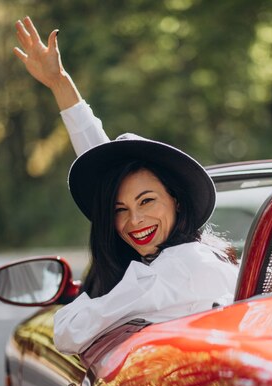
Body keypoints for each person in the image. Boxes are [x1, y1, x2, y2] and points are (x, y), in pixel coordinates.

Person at [13, 17, 239, 361]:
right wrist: (60, 84)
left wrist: (90, 298)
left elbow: (68, 332)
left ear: (176, 200)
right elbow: (104, 162)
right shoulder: (197, 256)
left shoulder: (178, 267)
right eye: (119, 210)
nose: (134, 220)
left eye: (146, 201)